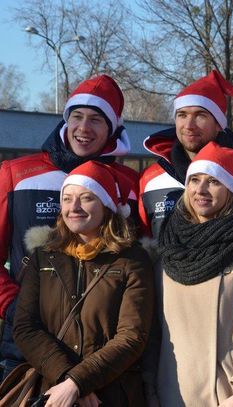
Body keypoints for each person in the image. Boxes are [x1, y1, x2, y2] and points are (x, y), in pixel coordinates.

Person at [0, 74, 139, 379]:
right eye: (77, 116)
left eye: (96, 120)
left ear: (112, 128)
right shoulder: (16, 175)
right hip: (28, 341)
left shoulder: (130, 185)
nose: (83, 128)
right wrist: (13, 306)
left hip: (101, 344)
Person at [150, 142, 233, 406]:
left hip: (232, 394)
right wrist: (151, 390)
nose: (201, 190)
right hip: (174, 392)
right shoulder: (168, 242)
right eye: (195, 180)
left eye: (213, 182)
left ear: (231, 189)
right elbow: (153, 330)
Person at [12, 160, 154, 406]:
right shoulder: (44, 256)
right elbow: (26, 328)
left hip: (113, 394)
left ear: (106, 204)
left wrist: (78, 383)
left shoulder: (132, 259)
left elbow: (132, 336)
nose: (74, 207)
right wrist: (69, 381)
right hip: (52, 392)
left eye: (87, 198)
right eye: (67, 199)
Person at [139, 69, 233, 238]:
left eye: (200, 115)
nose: (189, 125)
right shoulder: (149, 180)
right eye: (182, 115)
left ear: (219, 125)